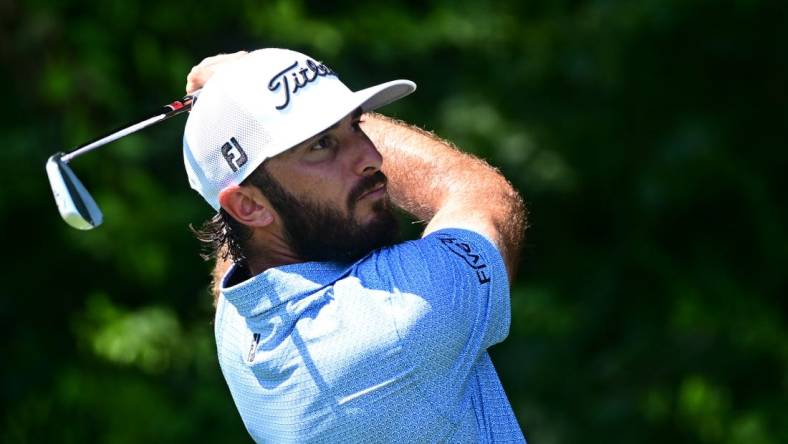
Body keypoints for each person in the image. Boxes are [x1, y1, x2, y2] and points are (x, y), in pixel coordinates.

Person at [183, 48, 527, 443]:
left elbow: (237, 231)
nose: (372, 156)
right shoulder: (400, 316)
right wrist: (238, 86)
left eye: (357, 125)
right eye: (322, 144)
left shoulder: (239, 326)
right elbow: (482, 195)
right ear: (250, 205)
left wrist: (232, 105)